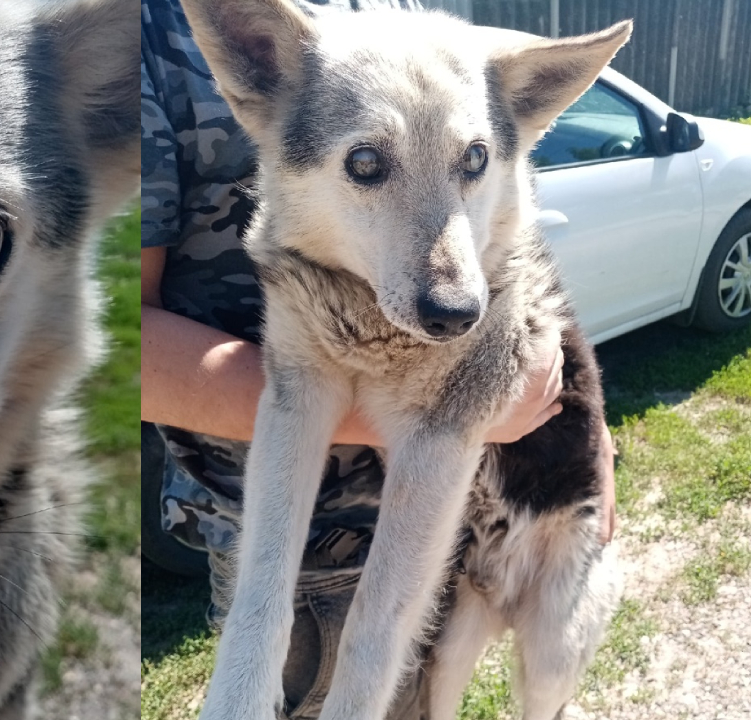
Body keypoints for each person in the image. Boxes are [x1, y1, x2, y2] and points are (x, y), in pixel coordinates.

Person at [139, 0, 617, 717]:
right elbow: (123, 341)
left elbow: (521, 286)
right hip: (310, 565)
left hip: (449, 543)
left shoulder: (395, 27)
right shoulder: (152, 35)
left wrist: (597, 441)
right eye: (368, 165)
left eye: (472, 161)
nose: (454, 288)